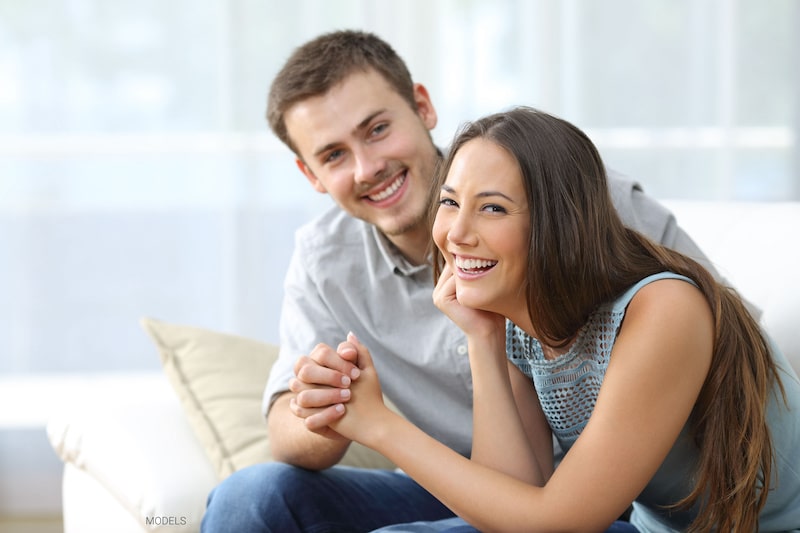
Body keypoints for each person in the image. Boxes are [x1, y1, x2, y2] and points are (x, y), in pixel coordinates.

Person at [201, 31, 726, 532]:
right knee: (251, 498)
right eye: (334, 155)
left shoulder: (578, 204)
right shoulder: (324, 262)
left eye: (377, 129)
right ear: (311, 175)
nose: (368, 167)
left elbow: (726, 343)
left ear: (422, 108)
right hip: (464, 480)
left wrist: (381, 424)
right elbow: (288, 434)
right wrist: (331, 401)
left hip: (620, 490)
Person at [315, 107, 800, 532]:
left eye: (492, 208)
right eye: (449, 202)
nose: (457, 233)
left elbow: (559, 522)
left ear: (558, 223)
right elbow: (508, 500)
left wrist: (380, 427)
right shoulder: (520, 323)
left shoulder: (663, 308)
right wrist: (483, 339)